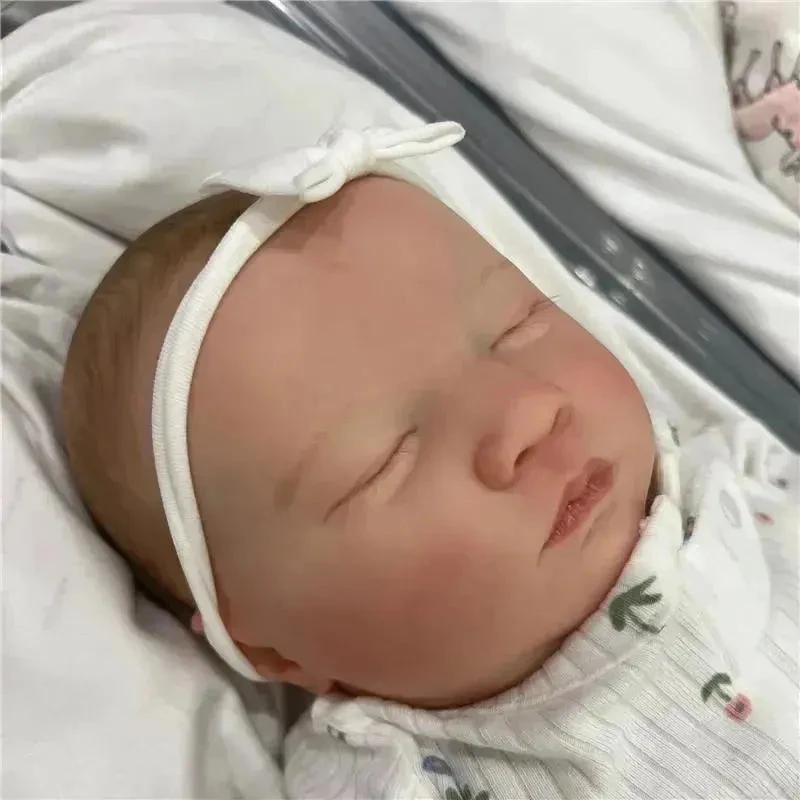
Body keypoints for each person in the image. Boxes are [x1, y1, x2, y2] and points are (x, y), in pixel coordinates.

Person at [61, 120, 798, 798]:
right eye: (385, 461)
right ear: (275, 652)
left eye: (519, 324)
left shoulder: (728, 472)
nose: (527, 410)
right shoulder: (400, 781)